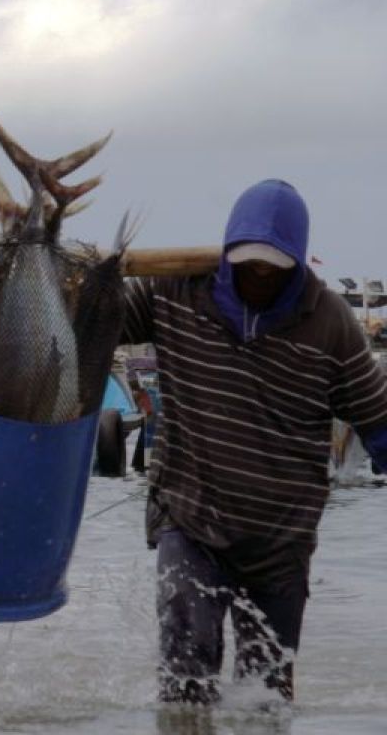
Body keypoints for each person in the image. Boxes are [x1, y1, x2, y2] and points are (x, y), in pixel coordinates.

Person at [121, 179, 387, 705]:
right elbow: (88, 327)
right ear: (228, 254)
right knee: (185, 681)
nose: (259, 276)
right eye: (249, 263)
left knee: (266, 698)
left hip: (279, 544)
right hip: (191, 522)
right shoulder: (174, 291)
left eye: (273, 268)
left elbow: (379, 424)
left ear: (295, 266)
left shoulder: (330, 323)